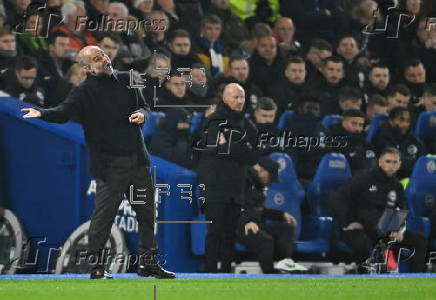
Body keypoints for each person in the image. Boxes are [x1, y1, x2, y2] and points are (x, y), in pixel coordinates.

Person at [21, 45, 175, 280]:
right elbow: (63, 112)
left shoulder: (127, 79)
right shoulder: (83, 92)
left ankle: (148, 264)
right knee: (104, 217)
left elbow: (144, 105)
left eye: (103, 54)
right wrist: (42, 113)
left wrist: (144, 114)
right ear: (86, 68)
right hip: (109, 165)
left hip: (138, 160)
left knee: (146, 215)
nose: (103, 59)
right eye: (96, 58)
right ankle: (96, 267)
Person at [195, 83, 260, 273]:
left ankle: (225, 272)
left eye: (242, 97)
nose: (239, 101)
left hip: (236, 186)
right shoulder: (212, 121)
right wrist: (241, 147)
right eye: (235, 97)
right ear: (224, 98)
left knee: (230, 232)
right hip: (213, 184)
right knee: (214, 231)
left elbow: (254, 156)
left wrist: (228, 144)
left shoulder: (250, 126)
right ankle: (209, 271)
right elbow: (213, 149)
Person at [331, 147, 428, 273]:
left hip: (384, 230)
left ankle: (417, 279)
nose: (391, 166)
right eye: (388, 161)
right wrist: (347, 222)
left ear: (399, 164)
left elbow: (403, 208)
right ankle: (363, 275)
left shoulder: (397, 186)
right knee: (362, 243)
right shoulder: (363, 178)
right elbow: (339, 197)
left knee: (419, 239)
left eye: (394, 162)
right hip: (360, 227)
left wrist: (398, 229)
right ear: (380, 162)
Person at [237, 157, 307, 273]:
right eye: (270, 177)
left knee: (286, 228)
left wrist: (281, 214)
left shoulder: (258, 185)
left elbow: (259, 211)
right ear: (262, 171)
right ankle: (270, 275)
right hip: (239, 226)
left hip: (254, 224)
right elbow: (233, 206)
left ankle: (285, 265)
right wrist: (245, 222)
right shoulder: (241, 180)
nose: (270, 182)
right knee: (266, 241)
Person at [373, 107, 426, 178]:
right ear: (391, 121)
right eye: (401, 120)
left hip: (414, 177)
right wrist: (416, 164)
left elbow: (422, 157)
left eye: (408, 121)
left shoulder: (413, 138)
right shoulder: (383, 137)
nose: (405, 124)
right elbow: (394, 160)